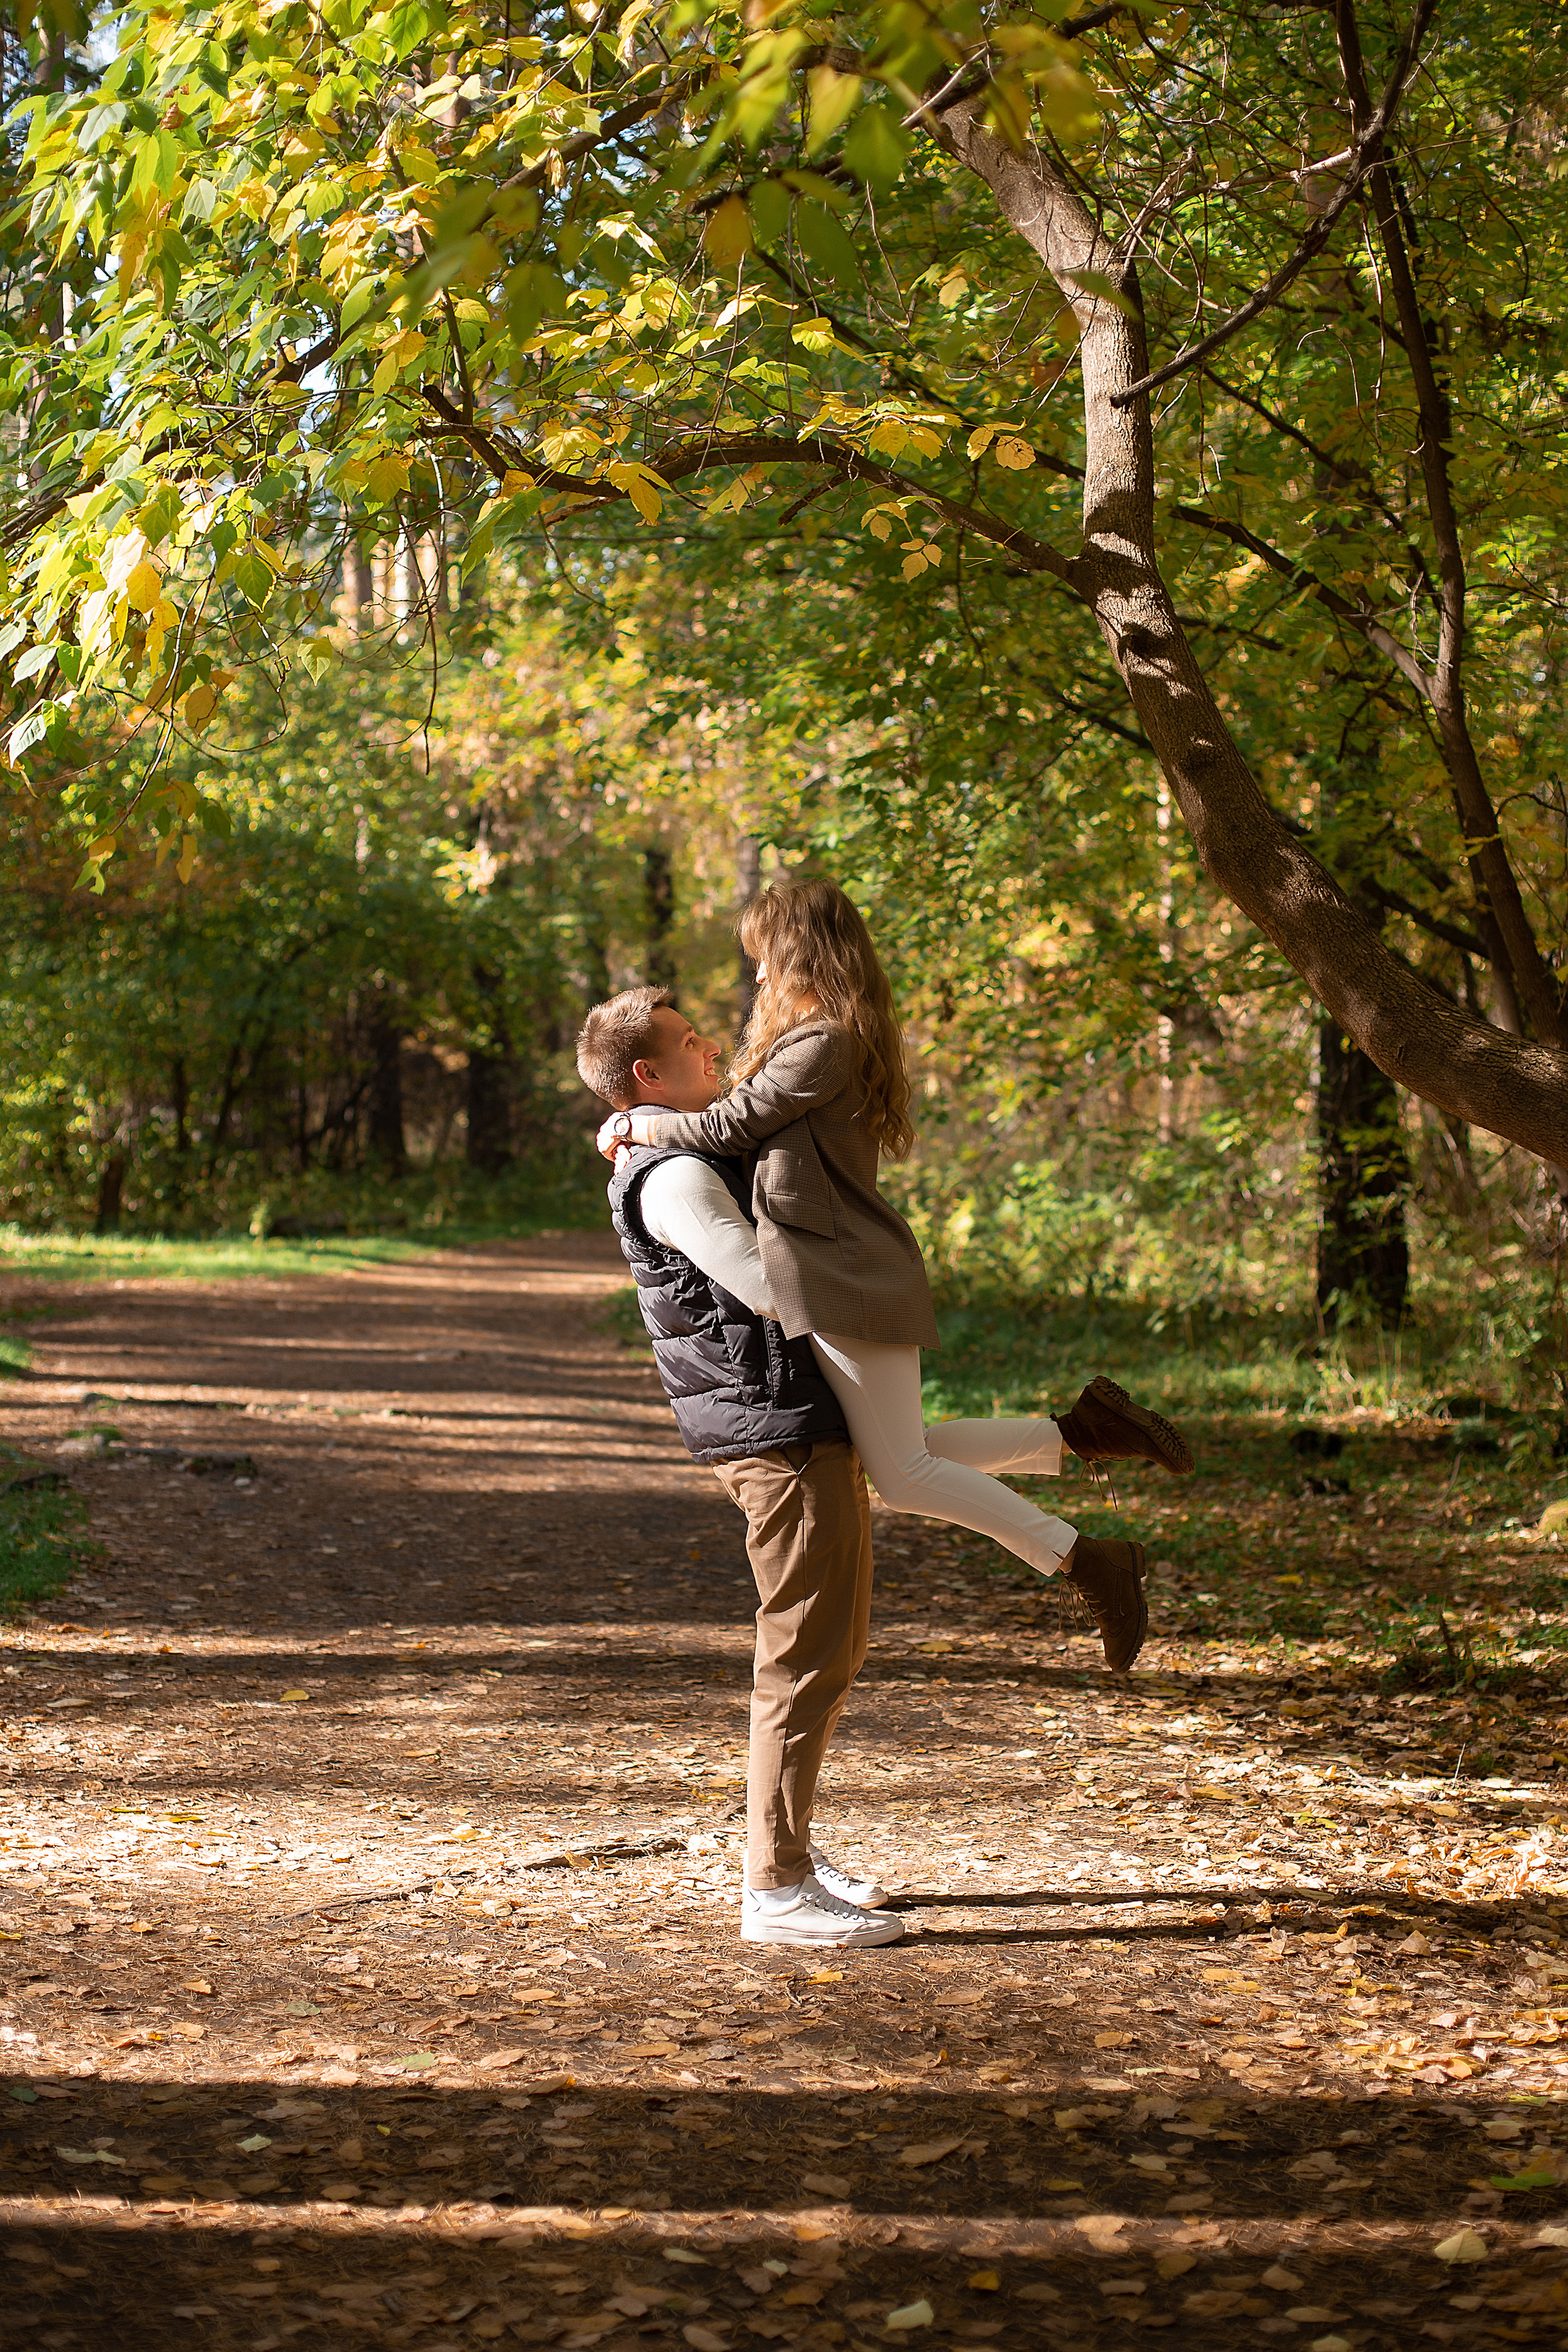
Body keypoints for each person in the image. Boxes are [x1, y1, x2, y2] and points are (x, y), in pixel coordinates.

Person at [597, 880, 1194, 1676]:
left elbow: (727, 1126)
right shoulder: (804, 1043)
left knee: (904, 1472)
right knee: (901, 1453)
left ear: (802, 953)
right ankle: (1084, 1434)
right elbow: (734, 1127)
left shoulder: (825, 1042)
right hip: (834, 1268)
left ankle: (1090, 1560)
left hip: (844, 1272)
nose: (760, 976)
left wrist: (636, 1123)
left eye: (765, 959)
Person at [576, 982, 905, 1950]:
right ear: (649, 1073)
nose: (713, 1048)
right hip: (774, 1431)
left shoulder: (687, 1150)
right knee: (803, 1654)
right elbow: (764, 1285)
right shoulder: (673, 1178)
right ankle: (776, 1889)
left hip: (795, 1418)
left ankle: (789, 1848)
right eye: (691, 1042)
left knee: (832, 1648)